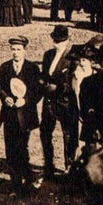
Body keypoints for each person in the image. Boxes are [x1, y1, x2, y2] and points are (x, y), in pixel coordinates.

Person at [0, 35, 44, 195]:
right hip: (9, 114)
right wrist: (5, 98)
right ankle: (16, 185)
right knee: (10, 150)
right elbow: (0, 88)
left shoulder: (32, 69)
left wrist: (26, 100)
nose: (16, 53)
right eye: (13, 50)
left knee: (22, 148)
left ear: (24, 50)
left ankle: (28, 178)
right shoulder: (5, 67)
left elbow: (37, 91)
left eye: (18, 50)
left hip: (25, 115)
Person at [39, 25, 79, 177]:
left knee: (69, 135)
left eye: (60, 41)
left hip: (66, 102)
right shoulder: (48, 55)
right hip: (49, 102)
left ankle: (69, 166)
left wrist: (58, 87)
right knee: (45, 132)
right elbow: (43, 74)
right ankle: (48, 164)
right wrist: (42, 84)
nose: (57, 43)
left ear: (67, 40)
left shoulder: (73, 59)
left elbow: (74, 82)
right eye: (55, 40)